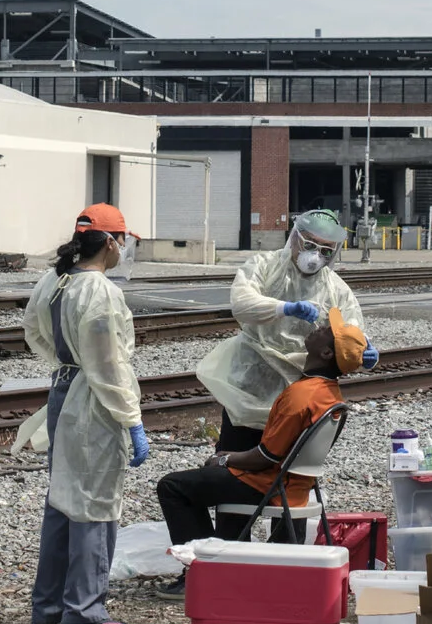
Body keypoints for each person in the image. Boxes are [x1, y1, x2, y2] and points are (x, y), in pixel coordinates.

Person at [155, 312, 368, 573]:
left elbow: (265, 457)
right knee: (199, 481)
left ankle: (204, 571)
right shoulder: (329, 393)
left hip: (269, 485)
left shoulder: (300, 396)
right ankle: (217, 561)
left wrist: (223, 458)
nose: (321, 327)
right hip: (295, 486)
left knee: (172, 487)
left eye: (328, 331)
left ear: (325, 353)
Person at [24, 205, 149, 624]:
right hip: (91, 401)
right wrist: (130, 416)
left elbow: (34, 332)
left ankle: (49, 606)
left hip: (63, 390)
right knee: (95, 502)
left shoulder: (55, 280)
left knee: (62, 499)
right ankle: (85, 606)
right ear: (112, 242)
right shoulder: (99, 290)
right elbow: (108, 363)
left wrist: (66, 361)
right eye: (124, 240)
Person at [196, 209, 376, 455]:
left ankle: (277, 493)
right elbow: (242, 303)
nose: (315, 255)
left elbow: (351, 328)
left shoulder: (335, 289)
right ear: (295, 238)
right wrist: (284, 308)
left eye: (325, 250)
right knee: (236, 449)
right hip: (252, 380)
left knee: (281, 458)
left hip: (298, 391)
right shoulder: (264, 266)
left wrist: (364, 347)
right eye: (310, 244)